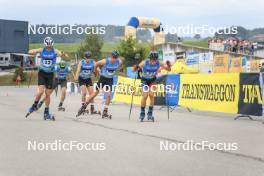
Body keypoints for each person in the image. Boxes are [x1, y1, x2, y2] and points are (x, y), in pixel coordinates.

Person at [26, 37, 65, 120]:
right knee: (40, 92)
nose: (48, 48)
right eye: (47, 47)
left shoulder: (54, 51)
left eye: (50, 46)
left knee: (47, 94)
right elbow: (31, 51)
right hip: (42, 73)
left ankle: (46, 112)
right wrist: (31, 51)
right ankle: (34, 106)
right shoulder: (41, 50)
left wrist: (63, 54)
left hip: (50, 74)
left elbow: (60, 53)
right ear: (45, 45)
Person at [76, 50, 122, 118]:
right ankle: (84, 106)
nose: (114, 59)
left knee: (109, 95)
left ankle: (105, 111)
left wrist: (121, 69)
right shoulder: (105, 61)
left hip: (110, 80)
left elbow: (121, 65)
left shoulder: (119, 61)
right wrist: (95, 71)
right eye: (113, 57)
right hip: (103, 79)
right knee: (95, 93)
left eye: (116, 58)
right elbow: (96, 64)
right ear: (111, 56)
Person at [133, 51, 171, 122]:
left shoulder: (159, 63)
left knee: (151, 95)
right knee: (145, 96)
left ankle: (150, 113)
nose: (153, 62)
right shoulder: (144, 62)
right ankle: (142, 112)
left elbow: (169, 69)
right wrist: (135, 68)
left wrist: (169, 65)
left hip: (153, 81)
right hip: (144, 81)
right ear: (149, 59)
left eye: (155, 60)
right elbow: (134, 70)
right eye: (152, 60)